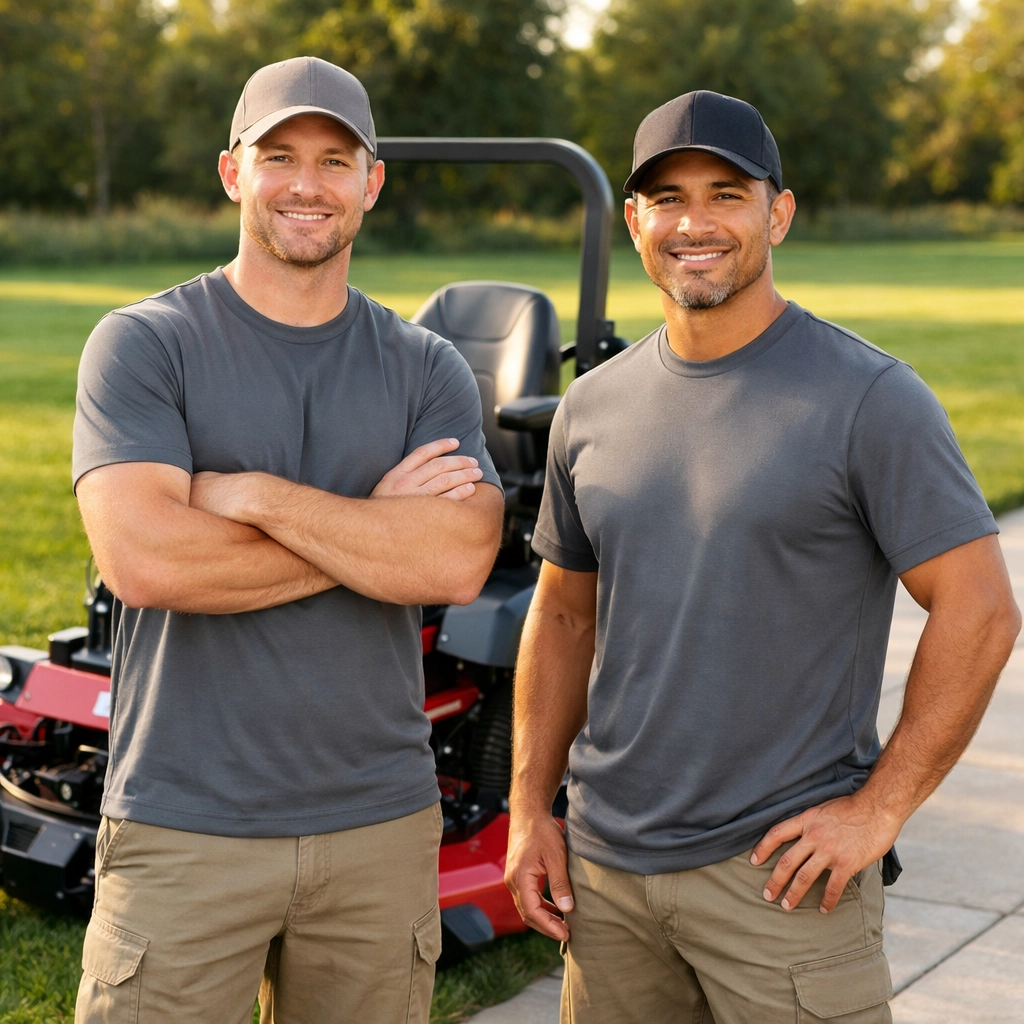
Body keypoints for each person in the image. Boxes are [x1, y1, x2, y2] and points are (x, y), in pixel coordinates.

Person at [504, 89, 1021, 1023]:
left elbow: (980, 609)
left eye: (726, 194)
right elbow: (566, 613)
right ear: (635, 220)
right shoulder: (592, 405)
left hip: (778, 886)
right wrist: (529, 807)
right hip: (610, 882)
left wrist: (881, 808)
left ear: (777, 212)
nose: (694, 223)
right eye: (667, 198)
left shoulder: (869, 398)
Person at [72, 56, 504, 1024]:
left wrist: (253, 494)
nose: (306, 184)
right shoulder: (145, 344)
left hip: (378, 825)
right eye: (279, 155)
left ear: (370, 183)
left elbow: (454, 561)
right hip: (185, 821)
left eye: (334, 160)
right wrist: (371, 528)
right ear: (233, 172)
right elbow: (147, 560)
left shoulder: (425, 367)